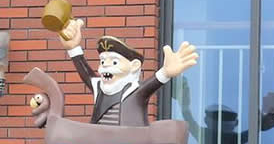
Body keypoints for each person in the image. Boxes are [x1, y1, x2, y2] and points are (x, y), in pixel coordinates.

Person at [58, 19, 198, 127]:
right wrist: (73, 48)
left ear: (134, 66)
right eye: (102, 61)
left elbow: (153, 83)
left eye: (114, 62)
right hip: (98, 142)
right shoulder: (99, 87)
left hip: (129, 143)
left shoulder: (134, 91)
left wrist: (166, 72)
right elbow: (85, 72)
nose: (105, 66)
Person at [176, 76, 274, 144]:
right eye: (218, 117)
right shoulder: (232, 138)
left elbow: (189, 120)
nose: (222, 122)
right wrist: (259, 127)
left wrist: (184, 105)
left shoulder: (206, 135)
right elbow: (189, 121)